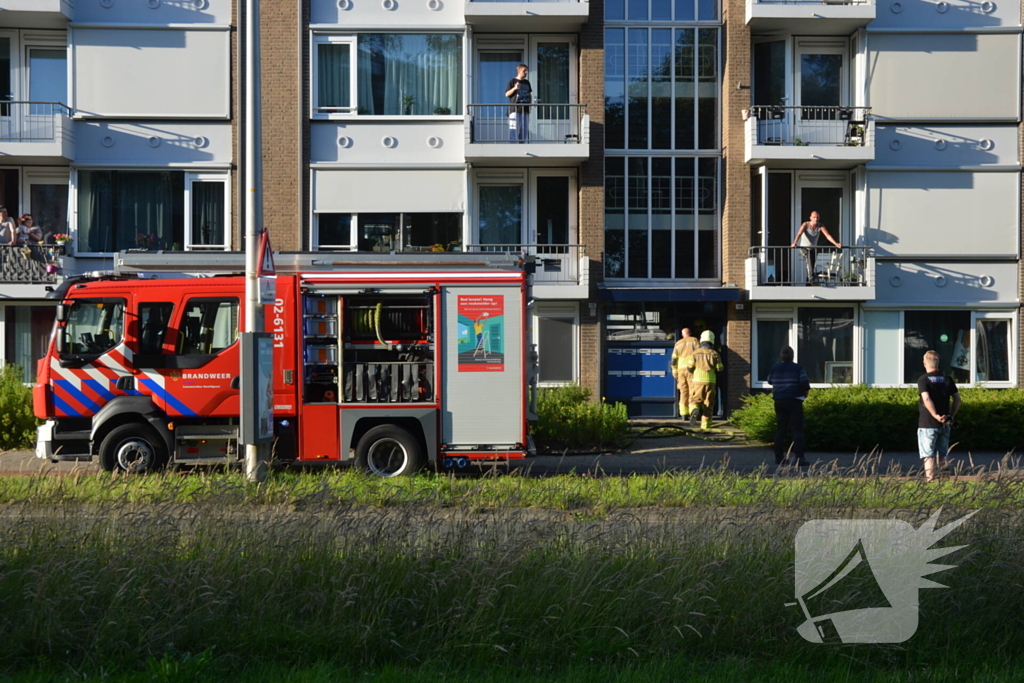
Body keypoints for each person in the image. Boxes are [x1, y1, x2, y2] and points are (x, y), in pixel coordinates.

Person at [917, 350, 960, 482]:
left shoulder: (923, 379)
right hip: (945, 423)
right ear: (938, 363)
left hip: (927, 424)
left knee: (928, 456)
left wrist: (935, 415)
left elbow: (926, 399)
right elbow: (957, 399)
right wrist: (950, 415)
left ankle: (930, 482)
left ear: (924, 363)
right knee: (943, 454)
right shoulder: (947, 379)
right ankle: (945, 481)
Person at [766, 346, 811, 467]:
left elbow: (769, 380)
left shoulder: (775, 368)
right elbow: (805, 383)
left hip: (779, 401)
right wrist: (805, 392)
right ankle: (800, 458)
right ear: (793, 356)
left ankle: (779, 458)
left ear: (781, 356)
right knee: (797, 430)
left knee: (781, 429)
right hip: (794, 400)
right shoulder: (798, 368)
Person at [685, 330, 724, 430]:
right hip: (711, 381)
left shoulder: (695, 353)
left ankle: (695, 409)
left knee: (695, 400)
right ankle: (705, 427)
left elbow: (689, 368)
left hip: (697, 381)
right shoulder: (715, 353)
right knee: (708, 405)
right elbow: (720, 369)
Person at [791, 211, 841, 284]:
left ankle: (808, 283)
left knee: (811, 264)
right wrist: (794, 243)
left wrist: (836, 243)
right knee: (809, 259)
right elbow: (799, 234)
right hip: (804, 248)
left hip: (813, 249)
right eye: (814, 217)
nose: (816, 219)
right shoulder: (806, 224)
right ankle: (811, 281)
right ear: (810, 218)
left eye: (817, 217)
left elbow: (827, 236)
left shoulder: (820, 226)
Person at [670, 328, 701, 424]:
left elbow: (674, 360)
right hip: (691, 369)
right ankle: (693, 410)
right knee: (693, 390)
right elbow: (699, 354)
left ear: (682, 334)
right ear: (690, 333)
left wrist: (674, 371)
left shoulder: (678, 343)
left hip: (680, 371)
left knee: (683, 391)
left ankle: (683, 414)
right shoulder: (694, 340)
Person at [505, 64, 532, 143]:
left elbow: (529, 94)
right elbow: (506, 94)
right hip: (515, 110)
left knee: (524, 132)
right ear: (519, 71)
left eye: (526, 70)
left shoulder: (527, 82)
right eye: (524, 71)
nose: (526, 72)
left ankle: (521, 149)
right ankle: (513, 150)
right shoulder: (512, 81)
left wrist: (530, 106)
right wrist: (515, 88)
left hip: (525, 110)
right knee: (514, 131)